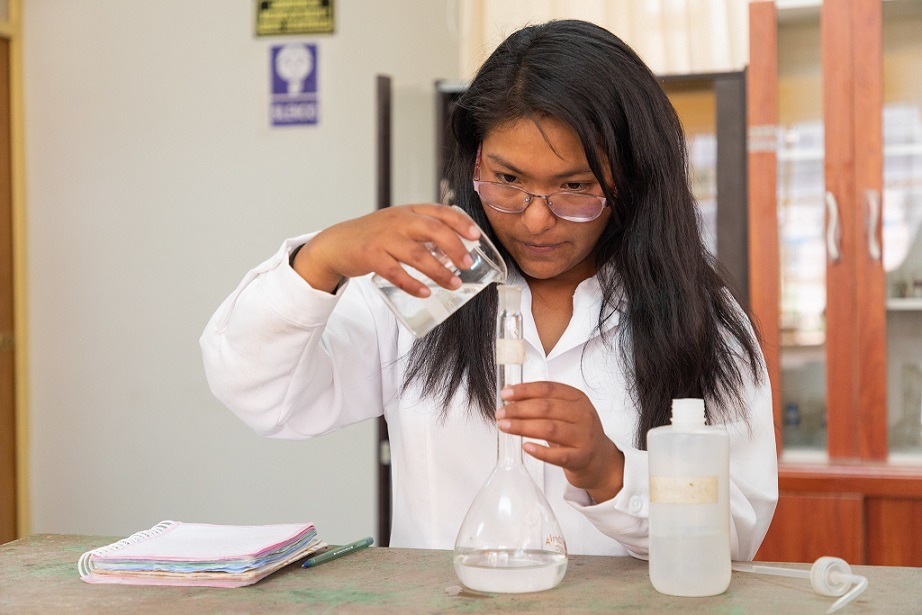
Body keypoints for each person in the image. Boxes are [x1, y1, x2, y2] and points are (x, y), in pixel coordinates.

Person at [201, 19, 777, 559]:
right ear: (473, 161)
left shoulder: (697, 316)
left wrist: (612, 475)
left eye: (574, 187)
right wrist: (321, 259)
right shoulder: (435, 284)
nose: (534, 220)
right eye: (507, 180)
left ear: (633, 177)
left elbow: (735, 534)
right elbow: (263, 395)